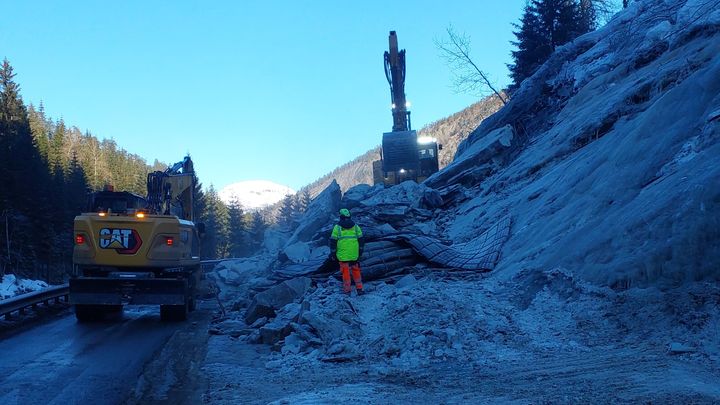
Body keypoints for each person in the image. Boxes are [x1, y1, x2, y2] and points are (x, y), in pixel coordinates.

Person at [329, 208, 365, 295]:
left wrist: (333, 253)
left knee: (345, 272)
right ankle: (360, 289)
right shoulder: (356, 227)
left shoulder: (337, 228)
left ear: (341, 217)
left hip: (343, 255)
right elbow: (361, 240)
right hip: (354, 254)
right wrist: (360, 251)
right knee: (356, 270)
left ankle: (347, 290)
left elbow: (333, 241)